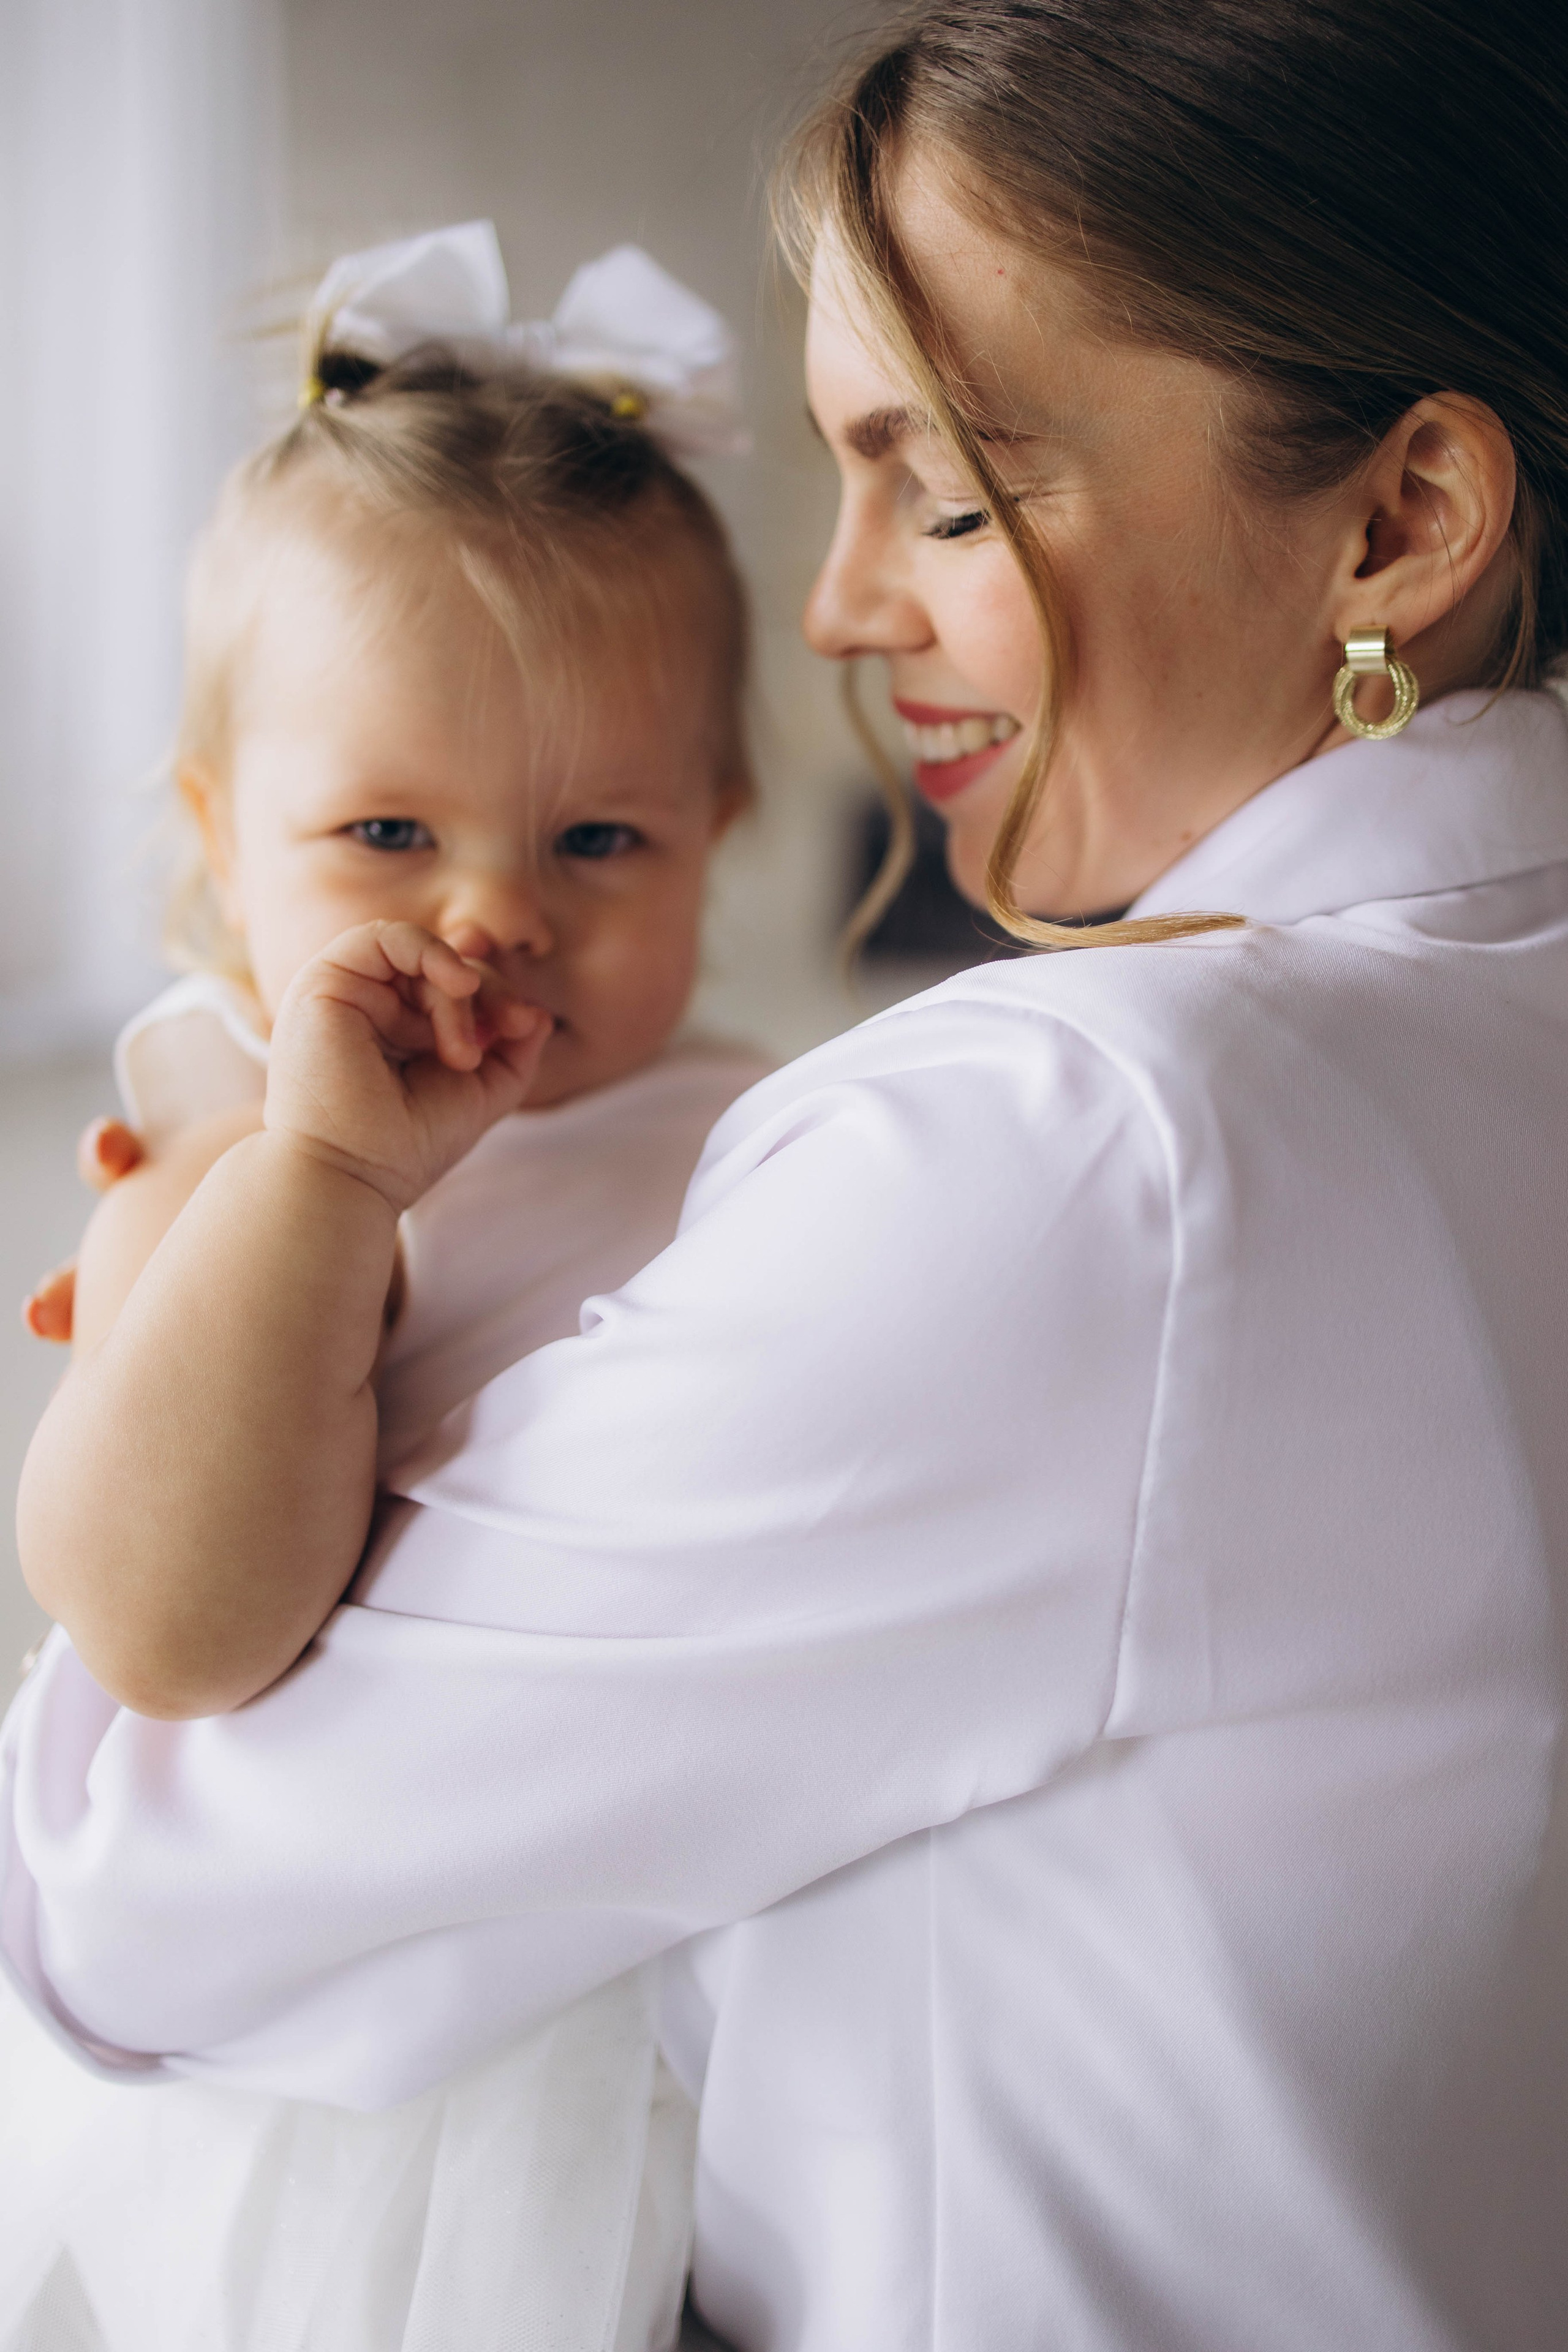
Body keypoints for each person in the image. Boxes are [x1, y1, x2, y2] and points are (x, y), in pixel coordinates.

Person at [7, 1, 1568, 2344]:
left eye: (942, 486)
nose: (839, 607)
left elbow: (151, 1900)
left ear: (1403, 519)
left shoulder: (1083, 1146)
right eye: (383, 828)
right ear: (223, 844)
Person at [0, 221, 769, 2352]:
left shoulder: (776, 1130)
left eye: (598, 844)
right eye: (386, 837)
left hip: (711, 2028)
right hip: (371, 2114)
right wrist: (330, 1182)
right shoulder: (227, 1153)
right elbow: (161, 1627)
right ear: (217, 836)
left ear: (722, 826)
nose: (495, 919)